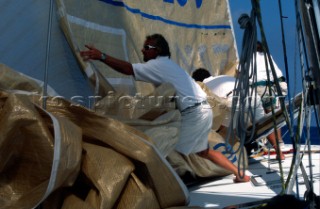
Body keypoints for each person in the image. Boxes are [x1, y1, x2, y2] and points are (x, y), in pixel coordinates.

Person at [80, 34, 250, 182]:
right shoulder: (169, 65)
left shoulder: (158, 65)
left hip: (194, 113)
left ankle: (164, 184)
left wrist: (101, 56)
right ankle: (239, 173)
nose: (143, 50)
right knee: (203, 151)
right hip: (202, 111)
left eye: (147, 47)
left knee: (163, 147)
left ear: (157, 50)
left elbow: (127, 69)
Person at [249, 41, 287, 160]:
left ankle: (272, 146)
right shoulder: (267, 57)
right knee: (274, 115)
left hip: (256, 89)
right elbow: (276, 74)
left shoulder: (247, 59)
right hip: (270, 88)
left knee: (264, 117)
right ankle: (279, 142)